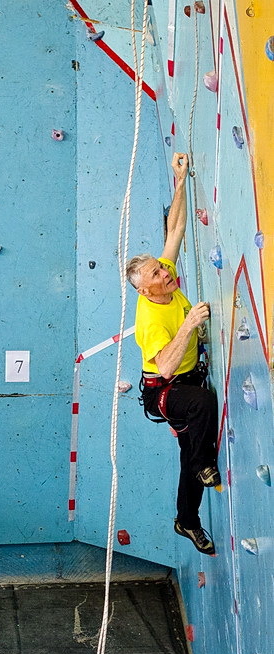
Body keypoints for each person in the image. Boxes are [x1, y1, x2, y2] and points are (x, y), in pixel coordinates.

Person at [125, 152, 220, 557]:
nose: (167, 273)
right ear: (146, 290)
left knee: (188, 456)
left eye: (162, 269)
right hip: (165, 391)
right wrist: (189, 324)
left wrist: (179, 181)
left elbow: (176, 228)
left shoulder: (163, 273)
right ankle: (204, 464)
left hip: (186, 375)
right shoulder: (150, 319)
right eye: (157, 275)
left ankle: (187, 520)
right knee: (199, 405)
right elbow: (163, 366)